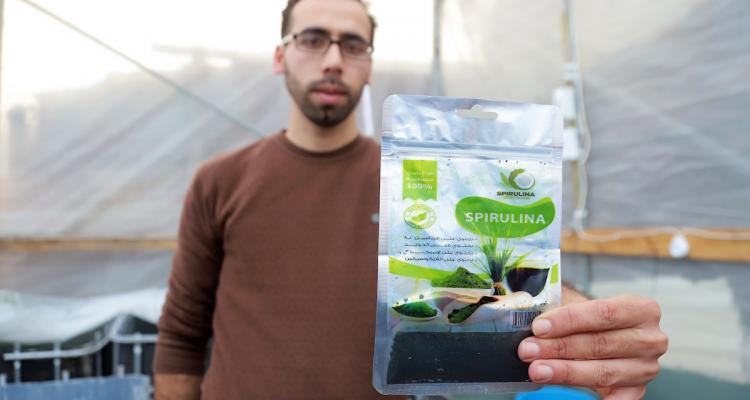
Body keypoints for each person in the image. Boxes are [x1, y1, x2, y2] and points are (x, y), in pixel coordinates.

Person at [153, 0, 668, 399]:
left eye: (353, 45)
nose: (333, 60)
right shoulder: (220, 181)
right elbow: (181, 335)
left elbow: (485, 281)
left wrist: (587, 318)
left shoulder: (420, 178)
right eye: (312, 39)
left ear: (369, 66)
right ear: (280, 55)